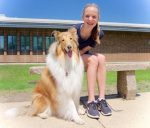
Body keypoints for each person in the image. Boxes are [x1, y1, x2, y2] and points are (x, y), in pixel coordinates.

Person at [74, 3, 112, 119]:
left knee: (102, 58)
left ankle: (101, 98)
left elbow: (86, 49)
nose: (90, 19)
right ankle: (91, 101)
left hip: (83, 54)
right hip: (72, 57)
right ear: (82, 17)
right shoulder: (74, 30)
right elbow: (70, 53)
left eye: (94, 17)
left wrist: (87, 57)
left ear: (98, 18)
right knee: (94, 59)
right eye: (87, 16)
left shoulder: (99, 33)